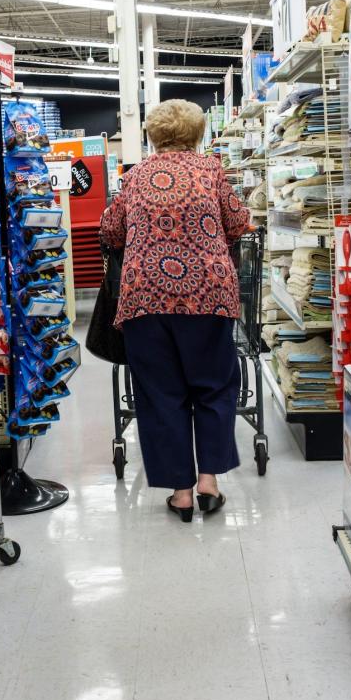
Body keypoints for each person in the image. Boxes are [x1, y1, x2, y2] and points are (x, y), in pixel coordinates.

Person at [99, 99, 251, 522]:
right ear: (198, 134)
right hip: (208, 295)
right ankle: (209, 483)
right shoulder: (211, 171)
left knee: (160, 393)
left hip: (145, 297)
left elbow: (110, 230)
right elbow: (239, 223)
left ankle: (180, 492)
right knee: (214, 386)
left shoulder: (134, 177)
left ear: (152, 135)